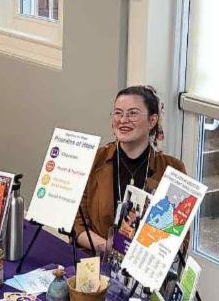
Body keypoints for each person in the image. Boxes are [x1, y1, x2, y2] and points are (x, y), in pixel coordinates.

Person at [73, 86, 188, 255]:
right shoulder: (95, 159)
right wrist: (108, 248)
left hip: (146, 265)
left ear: (152, 120)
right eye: (118, 113)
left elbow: (179, 238)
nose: (123, 120)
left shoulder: (173, 169)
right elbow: (77, 222)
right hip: (97, 260)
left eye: (133, 113)